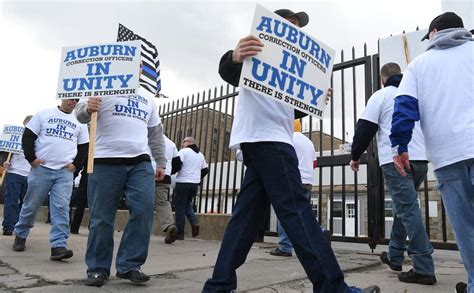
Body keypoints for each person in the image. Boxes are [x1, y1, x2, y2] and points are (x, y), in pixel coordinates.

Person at [202, 9, 380, 293]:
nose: (296, 30)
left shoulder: (291, 67)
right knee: (298, 212)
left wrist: (315, 98)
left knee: (245, 221)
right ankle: (332, 288)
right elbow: (230, 71)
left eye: (299, 27)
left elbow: (292, 109)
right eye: (291, 25)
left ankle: (218, 286)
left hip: (264, 141)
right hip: (269, 141)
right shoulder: (255, 48)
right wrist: (234, 56)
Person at [389, 12, 473, 293]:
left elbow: (404, 108)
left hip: (448, 155)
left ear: (434, 32)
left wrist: (400, 147)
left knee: (466, 229)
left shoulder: (419, 65)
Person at [350, 63, 436, 285]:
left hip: (395, 159)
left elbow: (365, 128)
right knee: (403, 207)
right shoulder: (414, 93)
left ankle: (424, 267)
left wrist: (355, 155)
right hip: (420, 159)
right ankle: (395, 255)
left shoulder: (381, 95)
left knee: (407, 209)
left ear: (382, 79)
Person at [76, 85, 166, 287]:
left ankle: (129, 265)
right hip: (104, 160)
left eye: (140, 63)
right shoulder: (100, 87)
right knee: (101, 218)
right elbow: (80, 115)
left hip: (140, 162)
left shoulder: (148, 97)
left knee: (144, 209)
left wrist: (160, 161)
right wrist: (88, 108)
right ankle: (98, 268)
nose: (137, 66)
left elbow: (155, 133)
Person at [13, 99, 89, 262]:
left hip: (64, 172)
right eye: (71, 98)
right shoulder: (44, 114)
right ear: (62, 96)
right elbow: (28, 136)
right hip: (41, 169)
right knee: (31, 205)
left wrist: (76, 164)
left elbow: (84, 146)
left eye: (77, 100)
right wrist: (31, 158)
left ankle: (58, 246)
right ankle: (20, 234)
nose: (73, 102)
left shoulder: (80, 121)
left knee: (61, 207)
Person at [269, 119, 317, 257]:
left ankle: (285, 246)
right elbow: (314, 164)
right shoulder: (309, 142)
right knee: (303, 214)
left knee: (286, 213)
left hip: (293, 179)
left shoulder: (288, 138)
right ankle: (318, 233)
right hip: (308, 181)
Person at [1, 115, 33, 236]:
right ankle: (8, 226)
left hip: (30, 174)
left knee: (26, 203)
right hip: (14, 172)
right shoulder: (14, 137)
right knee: (11, 200)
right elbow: (3, 153)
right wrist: (4, 162)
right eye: (29, 123)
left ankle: (19, 225)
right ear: (24, 123)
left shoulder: (38, 139)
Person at [174, 136, 208, 240]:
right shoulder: (200, 155)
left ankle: (180, 233)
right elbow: (205, 170)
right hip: (194, 184)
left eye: (183, 141)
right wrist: (197, 177)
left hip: (182, 182)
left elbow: (177, 164)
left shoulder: (184, 152)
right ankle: (194, 222)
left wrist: (172, 172)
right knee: (187, 204)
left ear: (189, 142)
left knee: (179, 207)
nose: (182, 144)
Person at [153, 134, 182, 244]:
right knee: (162, 202)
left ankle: (138, 229)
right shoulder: (171, 143)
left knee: (141, 201)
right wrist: (169, 171)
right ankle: (169, 225)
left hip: (146, 173)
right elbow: (178, 164)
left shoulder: (146, 137)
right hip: (165, 176)